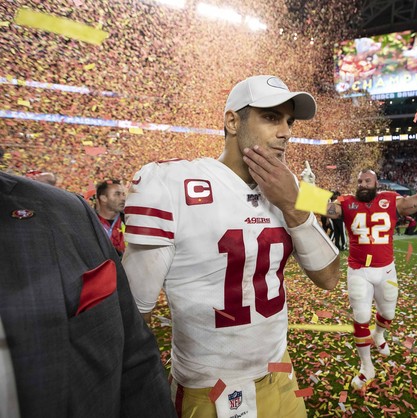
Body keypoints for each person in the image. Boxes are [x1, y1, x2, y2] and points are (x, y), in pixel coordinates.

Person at [122, 75, 340, 418]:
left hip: (281, 370)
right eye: (271, 117)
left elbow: (329, 278)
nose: (285, 131)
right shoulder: (171, 184)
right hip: (213, 389)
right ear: (232, 121)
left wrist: (294, 205)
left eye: (288, 121)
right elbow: (132, 318)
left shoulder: (289, 186)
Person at [0, 171, 176, 418]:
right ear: (101, 199)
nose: (123, 198)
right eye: (117, 194)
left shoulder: (79, 214)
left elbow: (136, 357)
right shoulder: (72, 218)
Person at [326, 148, 417, 390]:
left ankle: (379, 334)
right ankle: (366, 366)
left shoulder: (390, 200)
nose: (362, 184)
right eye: (359, 181)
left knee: (388, 313)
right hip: (358, 269)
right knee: (361, 315)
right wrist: (305, 189)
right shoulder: (347, 203)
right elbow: (325, 209)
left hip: (386, 270)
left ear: (376, 183)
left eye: (367, 180)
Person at [95, 179, 126, 255]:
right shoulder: (90, 223)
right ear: (103, 198)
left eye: (123, 194)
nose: (123, 198)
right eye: (117, 194)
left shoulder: (129, 220)